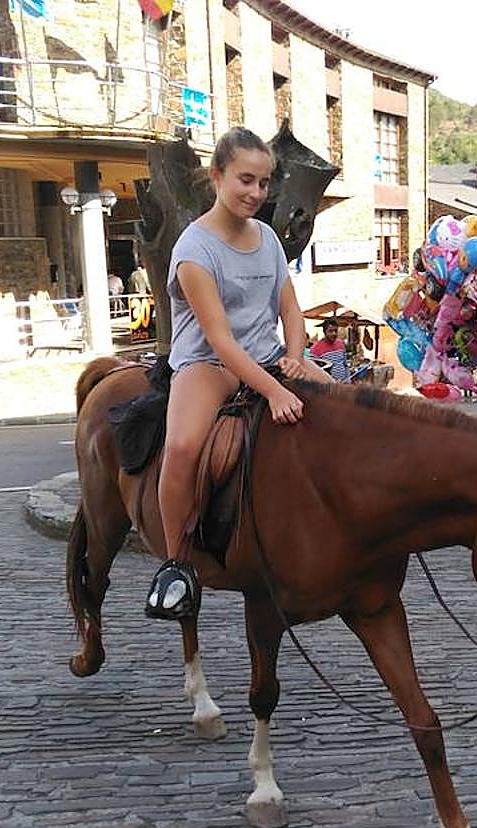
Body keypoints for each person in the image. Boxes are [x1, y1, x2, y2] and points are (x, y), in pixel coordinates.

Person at [147, 127, 331, 622]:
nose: (255, 193)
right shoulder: (193, 250)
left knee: (346, 410)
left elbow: (291, 309)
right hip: (209, 365)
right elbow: (221, 340)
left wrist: (294, 357)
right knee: (183, 446)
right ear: (218, 176)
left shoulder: (268, 238)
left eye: (264, 183)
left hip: (270, 356)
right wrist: (273, 390)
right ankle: (175, 566)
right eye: (245, 180)